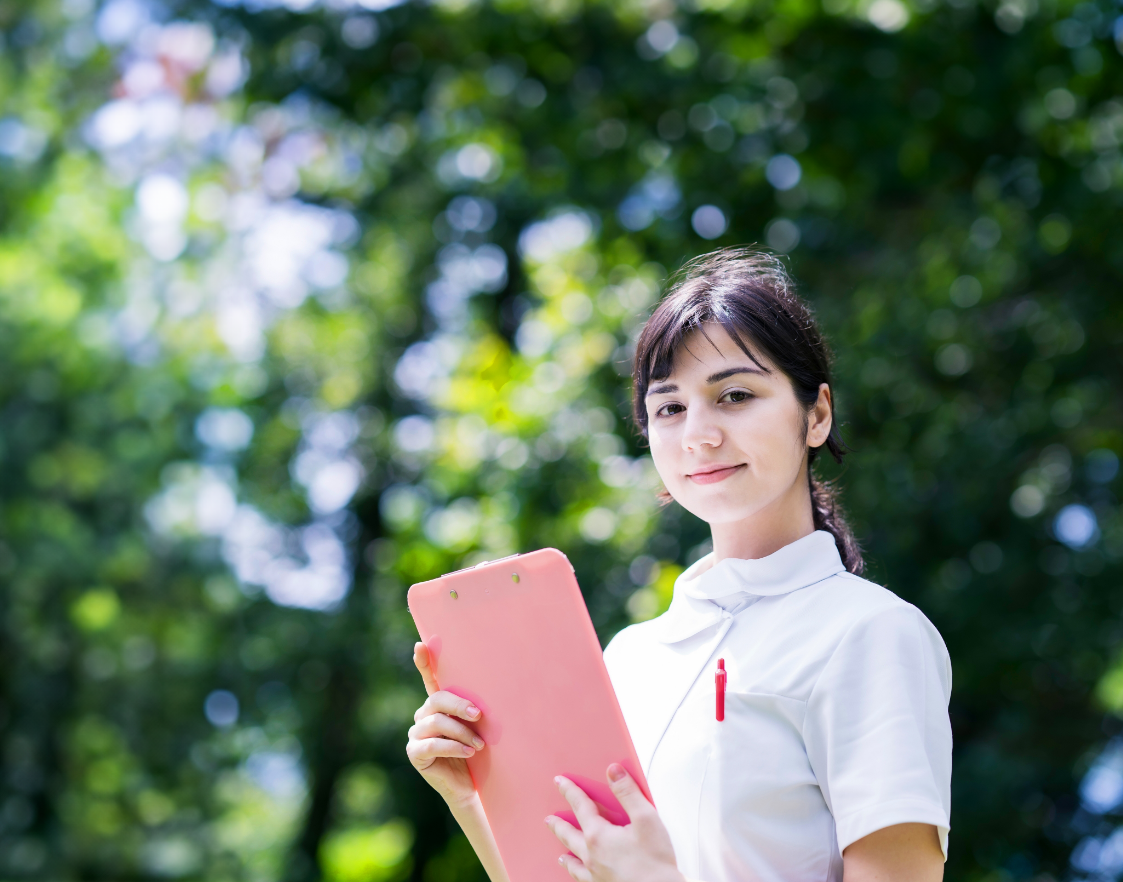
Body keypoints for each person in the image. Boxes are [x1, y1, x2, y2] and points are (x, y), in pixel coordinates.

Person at [405, 248, 952, 882]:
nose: (698, 434)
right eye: (669, 408)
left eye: (736, 395)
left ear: (817, 414)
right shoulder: (630, 658)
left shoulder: (872, 633)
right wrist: (471, 795)